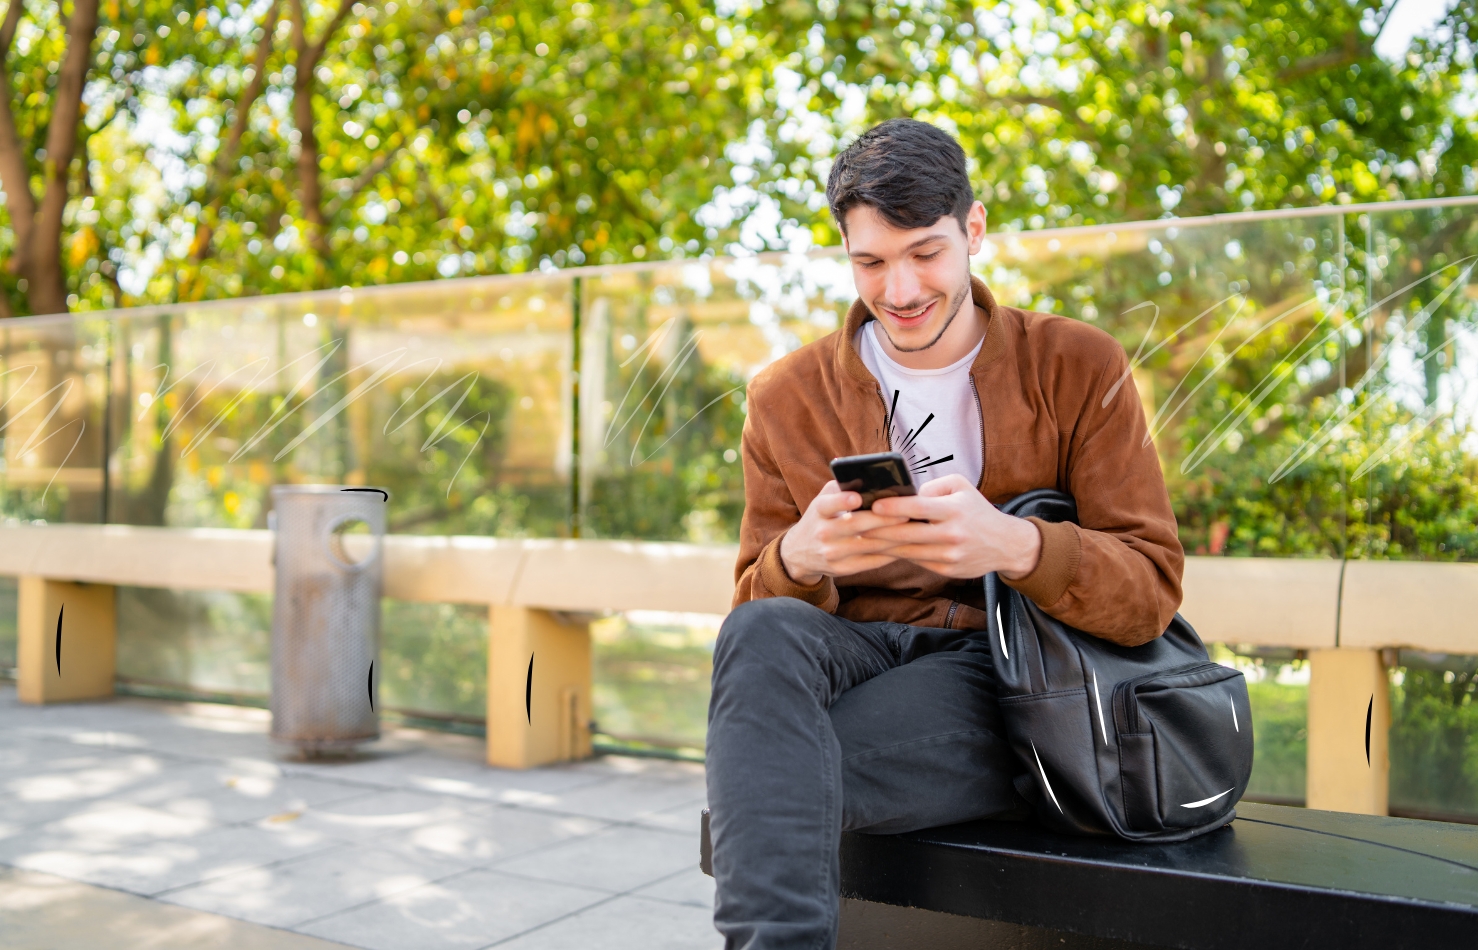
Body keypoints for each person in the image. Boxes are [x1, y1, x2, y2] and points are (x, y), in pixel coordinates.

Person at [705, 118, 1185, 950]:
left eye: (925, 253)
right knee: (760, 631)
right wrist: (802, 559)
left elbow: (1149, 591)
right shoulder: (786, 394)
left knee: (768, 774)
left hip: (1002, 665)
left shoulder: (1079, 365)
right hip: (852, 651)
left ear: (974, 229)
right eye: (871, 263)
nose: (898, 290)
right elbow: (752, 593)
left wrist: (1014, 547)